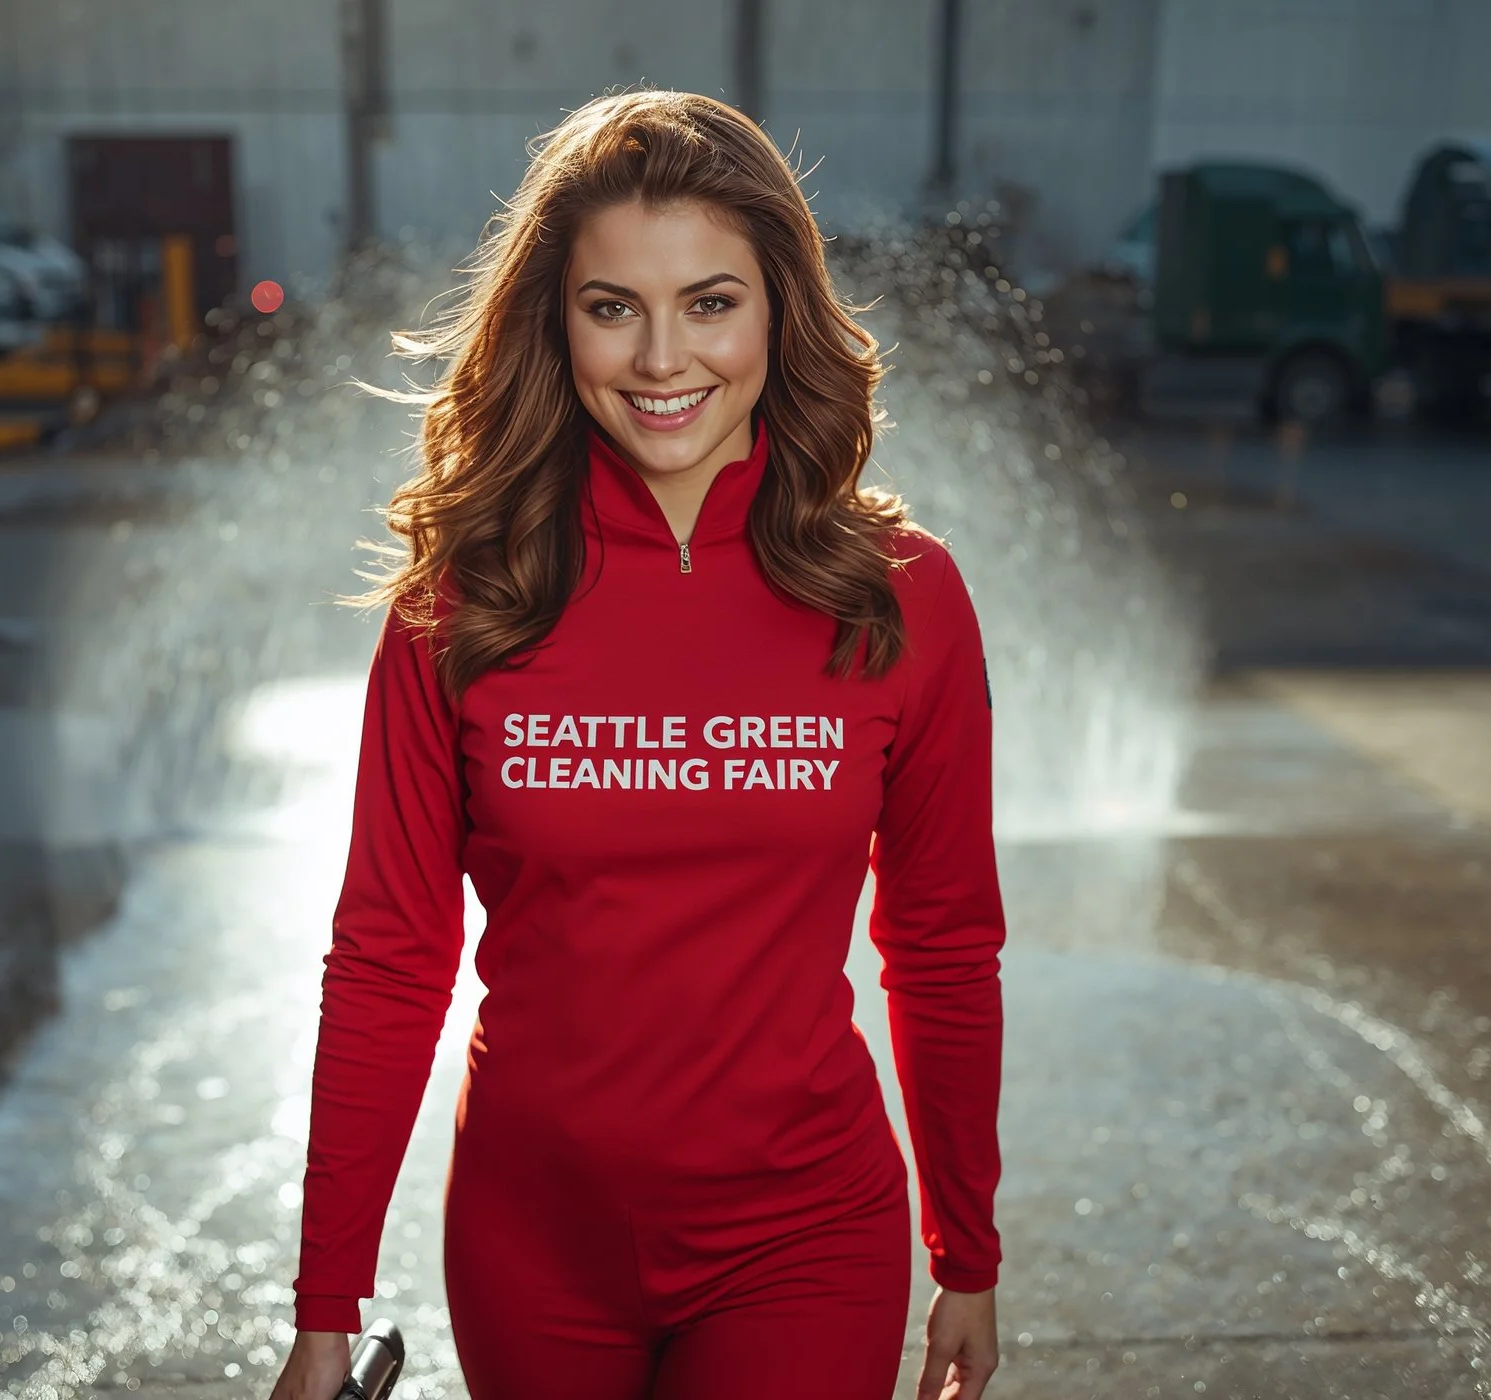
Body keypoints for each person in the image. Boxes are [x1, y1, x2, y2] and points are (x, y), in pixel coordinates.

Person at [270, 89, 1005, 1400]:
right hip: (532, 1245)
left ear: (779, 312)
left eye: (711, 302)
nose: (664, 358)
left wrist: (967, 1250)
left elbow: (943, 942)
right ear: (556, 324)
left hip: (806, 1238)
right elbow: (388, 955)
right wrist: (326, 1306)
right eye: (613, 306)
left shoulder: (902, 596)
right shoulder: (460, 602)